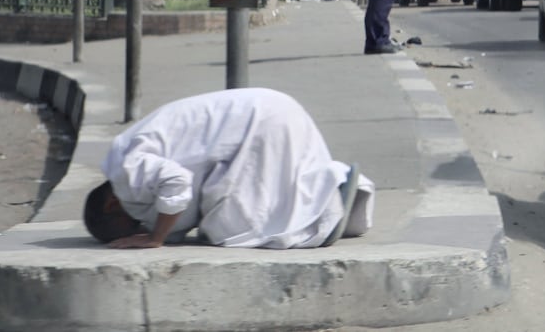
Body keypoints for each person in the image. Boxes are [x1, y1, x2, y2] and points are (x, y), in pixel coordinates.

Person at [82, 88, 372, 249]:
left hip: (262, 125)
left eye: (131, 224)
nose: (139, 227)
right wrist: (163, 232)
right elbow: (178, 209)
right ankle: (331, 194)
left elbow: (177, 183)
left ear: (111, 203)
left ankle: (328, 199)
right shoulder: (127, 161)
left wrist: (154, 238)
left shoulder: (126, 171)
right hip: (271, 112)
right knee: (266, 202)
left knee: (230, 229)